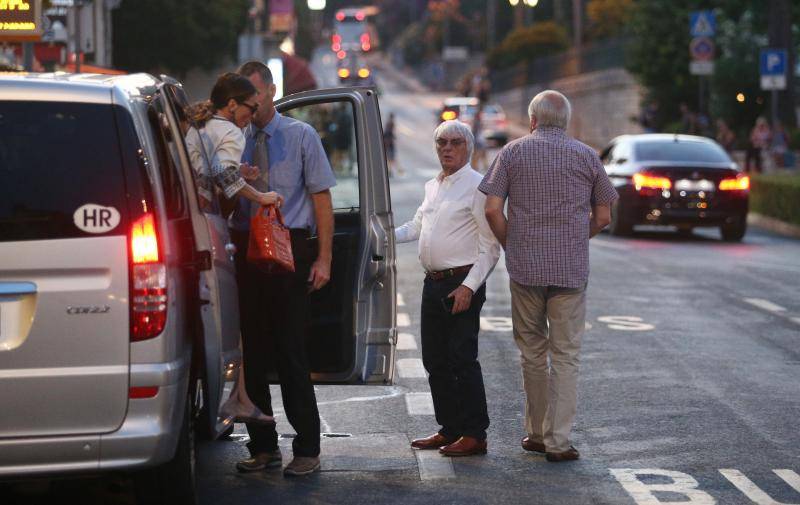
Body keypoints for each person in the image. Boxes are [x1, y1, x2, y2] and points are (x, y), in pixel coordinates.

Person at [479, 90, 617, 462]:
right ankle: (558, 442)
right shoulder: (587, 156)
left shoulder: (512, 153)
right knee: (567, 356)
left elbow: (493, 209)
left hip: (525, 270)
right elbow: (604, 216)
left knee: (533, 353)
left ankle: (536, 434)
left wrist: (514, 245)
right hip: (570, 271)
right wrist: (575, 238)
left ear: (533, 119)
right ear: (567, 121)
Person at [231, 60, 336, 477]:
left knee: (292, 353)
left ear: (271, 90)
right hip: (247, 250)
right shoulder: (233, 139)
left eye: (255, 94)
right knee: (252, 356)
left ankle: (306, 447)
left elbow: (322, 200)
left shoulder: (301, 136)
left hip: (290, 249)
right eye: (244, 98)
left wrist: (325, 258)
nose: (251, 104)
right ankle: (263, 447)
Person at [181, 73, 283, 426]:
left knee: (229, 317)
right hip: (212, 229)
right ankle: (237, 398)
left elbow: (208, 171)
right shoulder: (230, 131)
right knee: (235, 317)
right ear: (232, 105)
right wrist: (261, 195)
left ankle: (239, 396)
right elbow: (224, 178)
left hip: (195, 224)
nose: (252, 116)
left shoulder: (201, 126)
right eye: (249, 109)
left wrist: (241, 174)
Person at [396, 120, 501, 457]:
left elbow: (491, 247)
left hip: (462, 283)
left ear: (468, 148)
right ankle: (450, 429)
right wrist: (379, 233)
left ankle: (474, 434)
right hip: (434, 283)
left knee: (462, 359)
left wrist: (469, 287)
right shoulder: (433, 186)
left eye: (455, 142)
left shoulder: (478, 186)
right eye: (441, 142)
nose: (447, 148)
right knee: (436, 360)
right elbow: (416, 226)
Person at [383, 112, 403, 177]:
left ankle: (394, 170)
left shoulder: (389, 124)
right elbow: (388, 134)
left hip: (389, 144)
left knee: (391, 158)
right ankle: (394, 170)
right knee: (391, 158)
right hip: (389, 144)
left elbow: (387, 134)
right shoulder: (390, 124)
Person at [470, 105, 488, 173]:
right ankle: (476, 168)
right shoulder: (477, 123)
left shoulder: (477, 122)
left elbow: (477, 132)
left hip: (479, 141)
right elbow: (476, 132)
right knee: (478, 156)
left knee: (480, 155)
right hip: (479, 141)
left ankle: (477, 168)